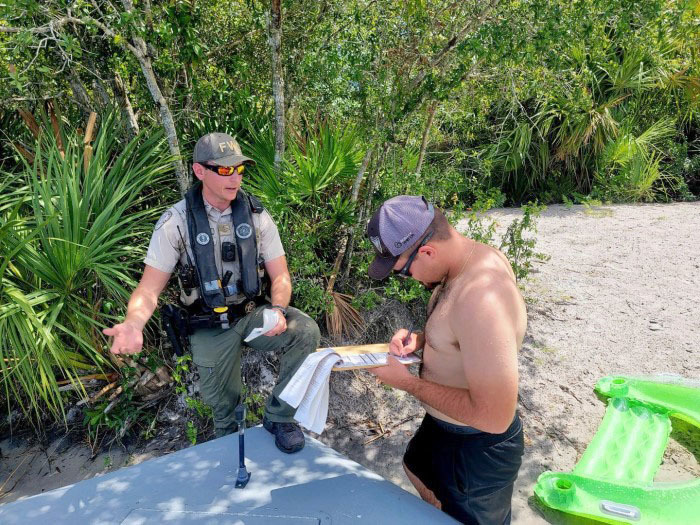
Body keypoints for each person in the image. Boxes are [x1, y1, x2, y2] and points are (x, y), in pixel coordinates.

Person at [103, 132, 320, 454]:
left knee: (306, 332)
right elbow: (148, 288)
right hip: (206, 323)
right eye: (224, 170)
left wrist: (277, 308)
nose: (234, 178)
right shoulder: (176, 222)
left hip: (250, 314)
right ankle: (230, 446)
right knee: (224, 408)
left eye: (239, 169)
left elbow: (281, 275)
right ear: (199, 171)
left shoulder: (257, 216)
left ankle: (280, 416)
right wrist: (133, 324)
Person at [365, 195, 526, 524]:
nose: (409, 278)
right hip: (446, 428)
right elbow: (463, 335)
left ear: (427, 251)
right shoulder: (464, 262)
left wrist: (407, 383)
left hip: (477, 451)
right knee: (415, 466)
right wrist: (422, 340)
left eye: (403, 272)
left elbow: (494, 417)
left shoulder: (483, 298)